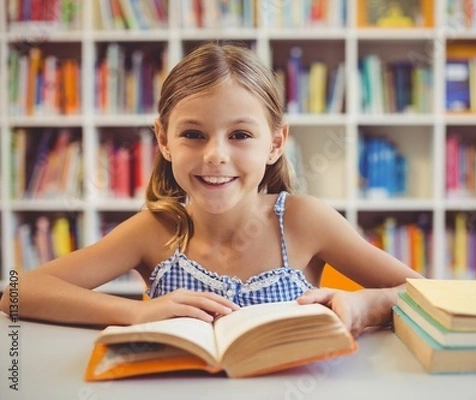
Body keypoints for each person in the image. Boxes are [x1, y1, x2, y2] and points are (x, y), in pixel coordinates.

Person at [0, 43, 422, 337]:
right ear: (164, 140)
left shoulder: (303, 220)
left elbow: (427, 294)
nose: (215, 155)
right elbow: (18, 294)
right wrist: (136, 312)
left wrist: (368, 307)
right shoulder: (155, 229)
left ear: (275, 143)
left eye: (240, 135)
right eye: (193, 134)